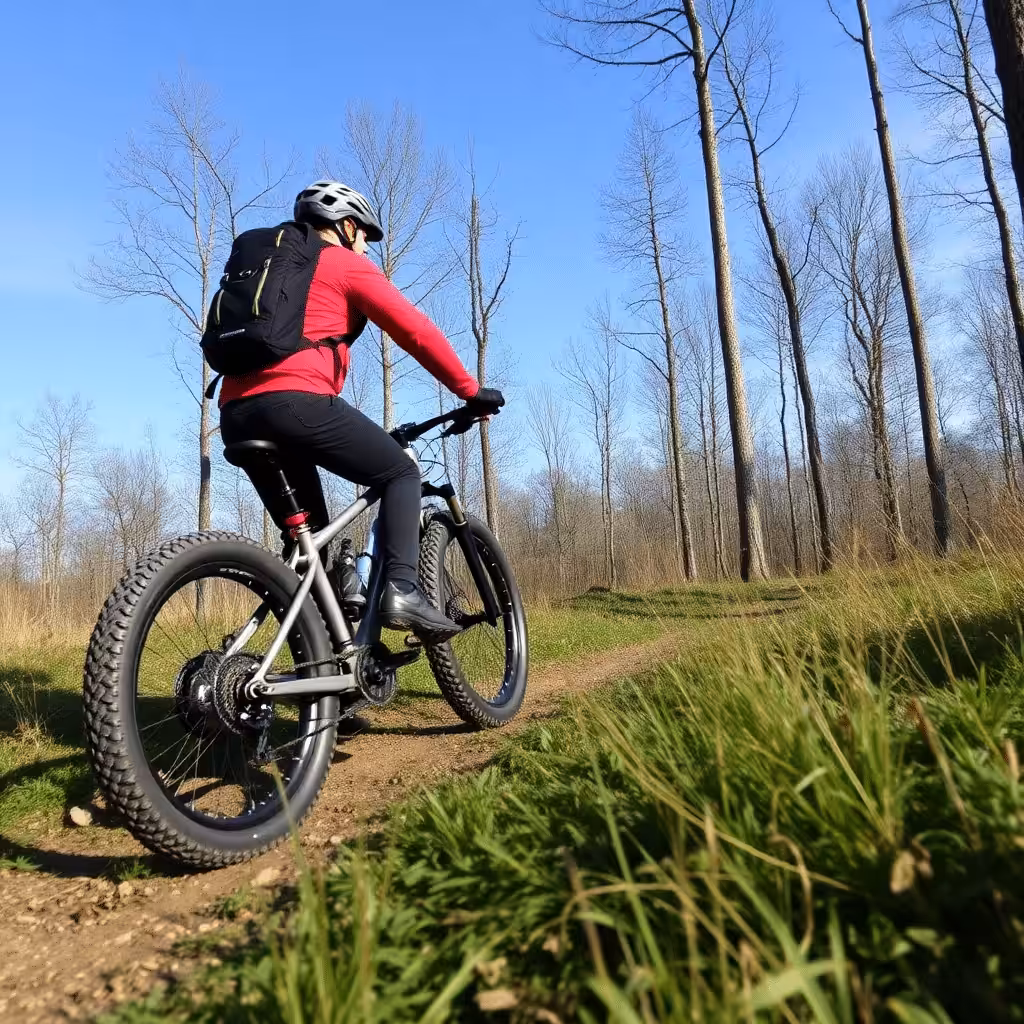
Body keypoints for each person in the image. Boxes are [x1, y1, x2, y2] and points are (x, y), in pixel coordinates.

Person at [219, 180, 504, 639]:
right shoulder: (343, 264)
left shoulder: (274, 268)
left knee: (309, 545)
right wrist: (469, 390)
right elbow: (415, 331)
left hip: (235, 414)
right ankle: (402, 590)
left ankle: (329, 679)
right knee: (399, 474)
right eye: (366, 239)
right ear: (347, 226)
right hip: (296, 404)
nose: (366, 250)